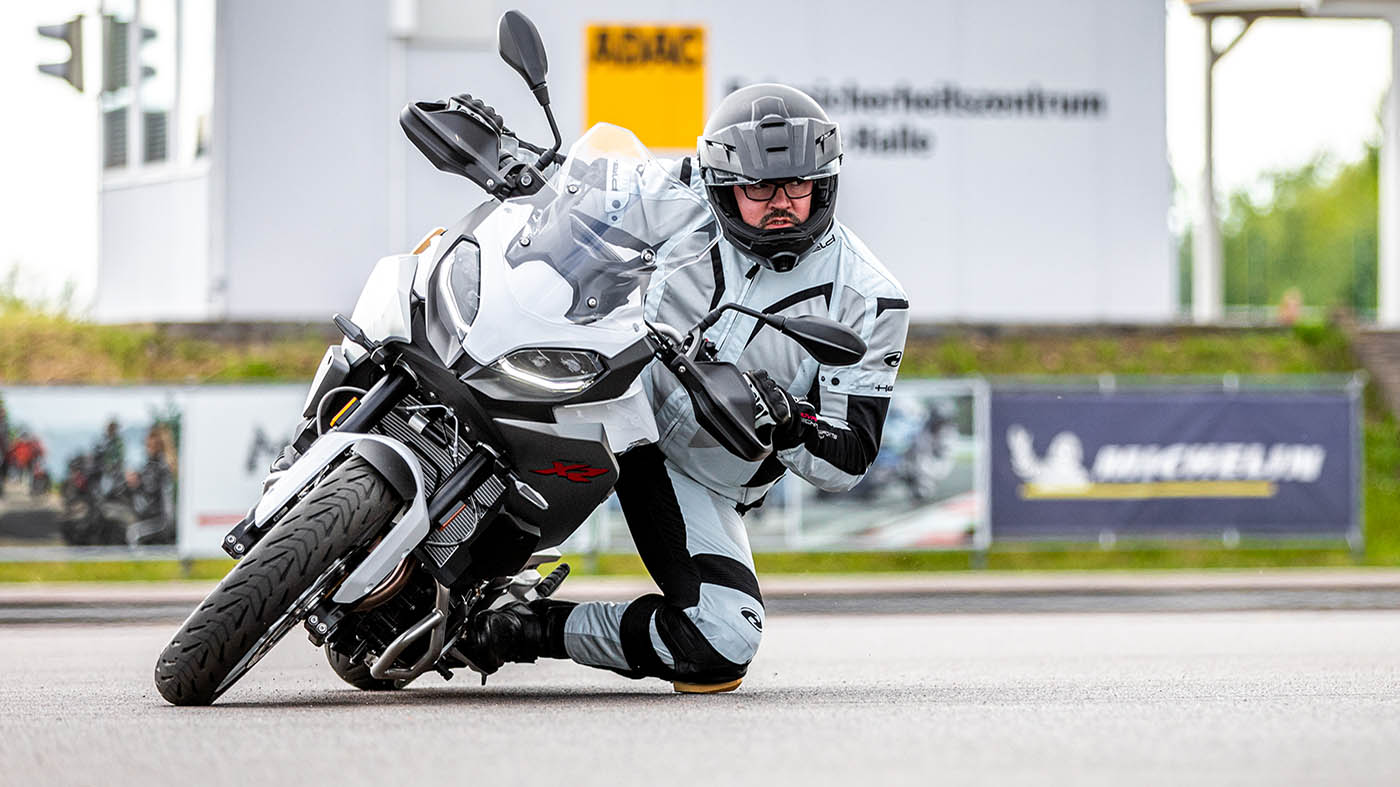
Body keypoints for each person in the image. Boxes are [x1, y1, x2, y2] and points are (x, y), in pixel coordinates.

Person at [459, 84, 911, 693]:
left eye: (797, 185)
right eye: (758, 188)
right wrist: (510, 156)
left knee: (725, 638)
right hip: (608, 396)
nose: (781, 203)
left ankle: (522, 628)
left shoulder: (869, 298)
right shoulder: (678, 194)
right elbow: (579, 195)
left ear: (825, 183)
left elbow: (851, 458)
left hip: (698, 472)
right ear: (723, 184)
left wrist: (790, 426)